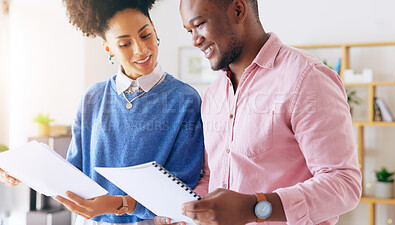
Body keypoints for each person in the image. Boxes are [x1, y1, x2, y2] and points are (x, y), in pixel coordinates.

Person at [155, 0, 362, 224]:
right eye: (190, 31)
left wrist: (255, 207)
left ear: (238, 9)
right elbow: (212, 177)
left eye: (201, 24)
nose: (195, 40)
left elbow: (343, 184)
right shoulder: (213, 94)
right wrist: (185, 212)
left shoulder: (306, 77)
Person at [0, 0, 204, 224]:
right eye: (125, 44)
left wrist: (120, 205)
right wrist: (26, 172)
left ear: (155, 30)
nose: (141, 49)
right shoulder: (92, 98)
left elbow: (183, 185)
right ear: (108, 48)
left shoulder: (185, 100)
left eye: (145, 35)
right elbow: (73, 172)